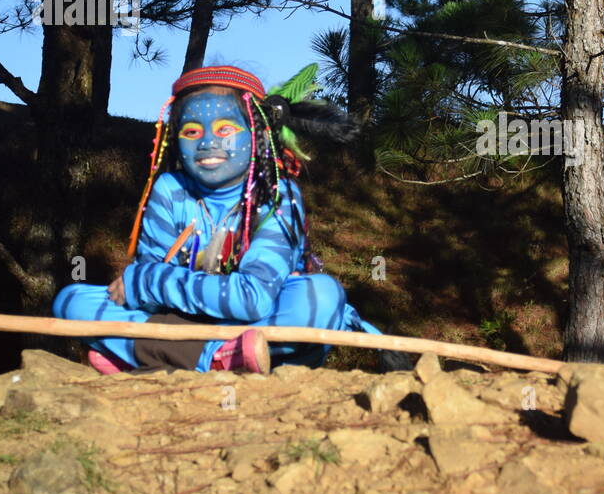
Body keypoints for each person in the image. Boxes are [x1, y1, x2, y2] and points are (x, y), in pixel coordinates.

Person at [53, 64, 388, 375]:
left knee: (320, 298)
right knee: (72, 301)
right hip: (184, 322)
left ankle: (156, 354)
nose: (208, 143)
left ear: (256, 135)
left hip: (260, 324)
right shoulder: (170, 190)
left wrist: (148, 282)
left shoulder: (276, 195)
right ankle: (219, 358)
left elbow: (253, 299)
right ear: (174, 138)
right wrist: (148, 285)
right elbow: (144, 292)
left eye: (226, 128)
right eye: (192, 131)